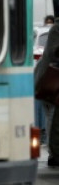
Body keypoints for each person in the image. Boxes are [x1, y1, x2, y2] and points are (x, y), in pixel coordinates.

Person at [36, 24, 59, 167]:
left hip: (51, 78)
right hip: (50, 80)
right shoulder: (57, 29)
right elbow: (53, 53)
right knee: (53, 117)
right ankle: (54, 154)